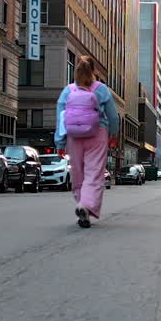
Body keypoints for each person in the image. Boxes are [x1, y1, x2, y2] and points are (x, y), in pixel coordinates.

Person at [55, 56, 119, 227]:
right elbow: (113, 116)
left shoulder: (68, 91)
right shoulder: (102, 89)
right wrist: (113, 135)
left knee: (78, 174)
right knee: (94, 174)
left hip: (74, 136)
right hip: (98, 133)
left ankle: (81, 205)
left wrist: (60, 143)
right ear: (94, 71)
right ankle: (86, 205)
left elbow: (61, 119)